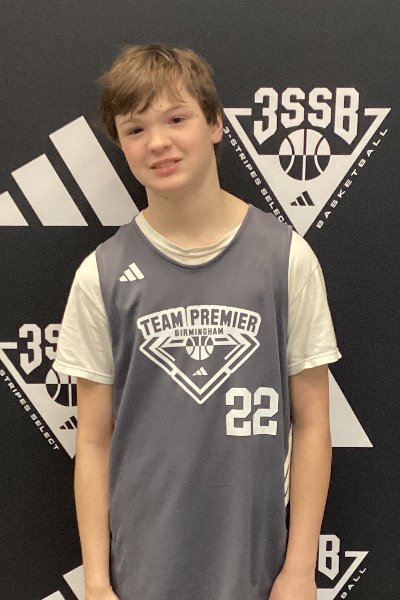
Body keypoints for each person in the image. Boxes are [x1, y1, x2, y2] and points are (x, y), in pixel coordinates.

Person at [54, 44, 341, 600]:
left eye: (176, 119)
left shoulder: (286, 258)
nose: (158, 142)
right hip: (141, 572)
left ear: (215, 124)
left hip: (257, 571)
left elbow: (311, 422)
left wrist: (300, 569)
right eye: (135, 129)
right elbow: (91, 441)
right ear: (121, 145)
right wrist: (96, 582)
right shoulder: (101, 276)